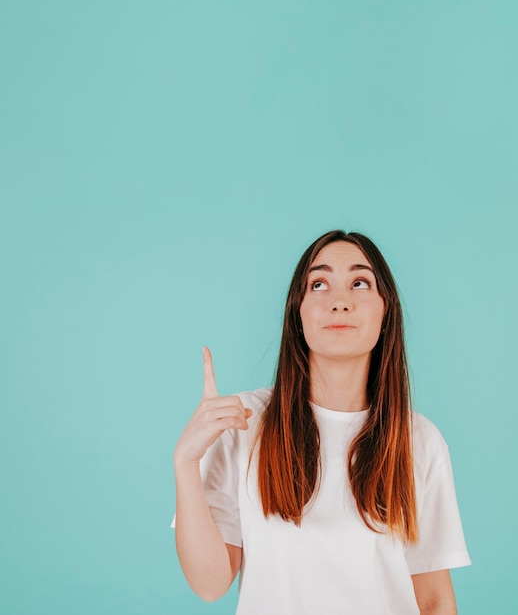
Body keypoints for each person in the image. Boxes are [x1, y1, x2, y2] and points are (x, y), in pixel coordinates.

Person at [171, 230, 471, 615]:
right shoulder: (243, 423)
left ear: (386, 313)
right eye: (319, 284)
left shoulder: (418, 441)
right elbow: (209, 584)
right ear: (298, 313)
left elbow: (433, 599)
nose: (340, 302)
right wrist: (186, 462)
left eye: (360, 283)